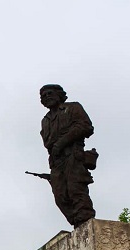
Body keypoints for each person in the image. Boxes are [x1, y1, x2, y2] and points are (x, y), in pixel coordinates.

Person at [39, 84, 96, 227]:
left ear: (60, 94)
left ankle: (85, 223)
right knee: (60, 196)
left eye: (50, 93)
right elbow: (47, 143)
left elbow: (85, 126)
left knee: (76, 190)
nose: (47, 97)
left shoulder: (72, 108)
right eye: (43, 96)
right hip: (56, 161)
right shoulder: (45, 121)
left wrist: (62, 142)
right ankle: (77, 223)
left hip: (73, 155)